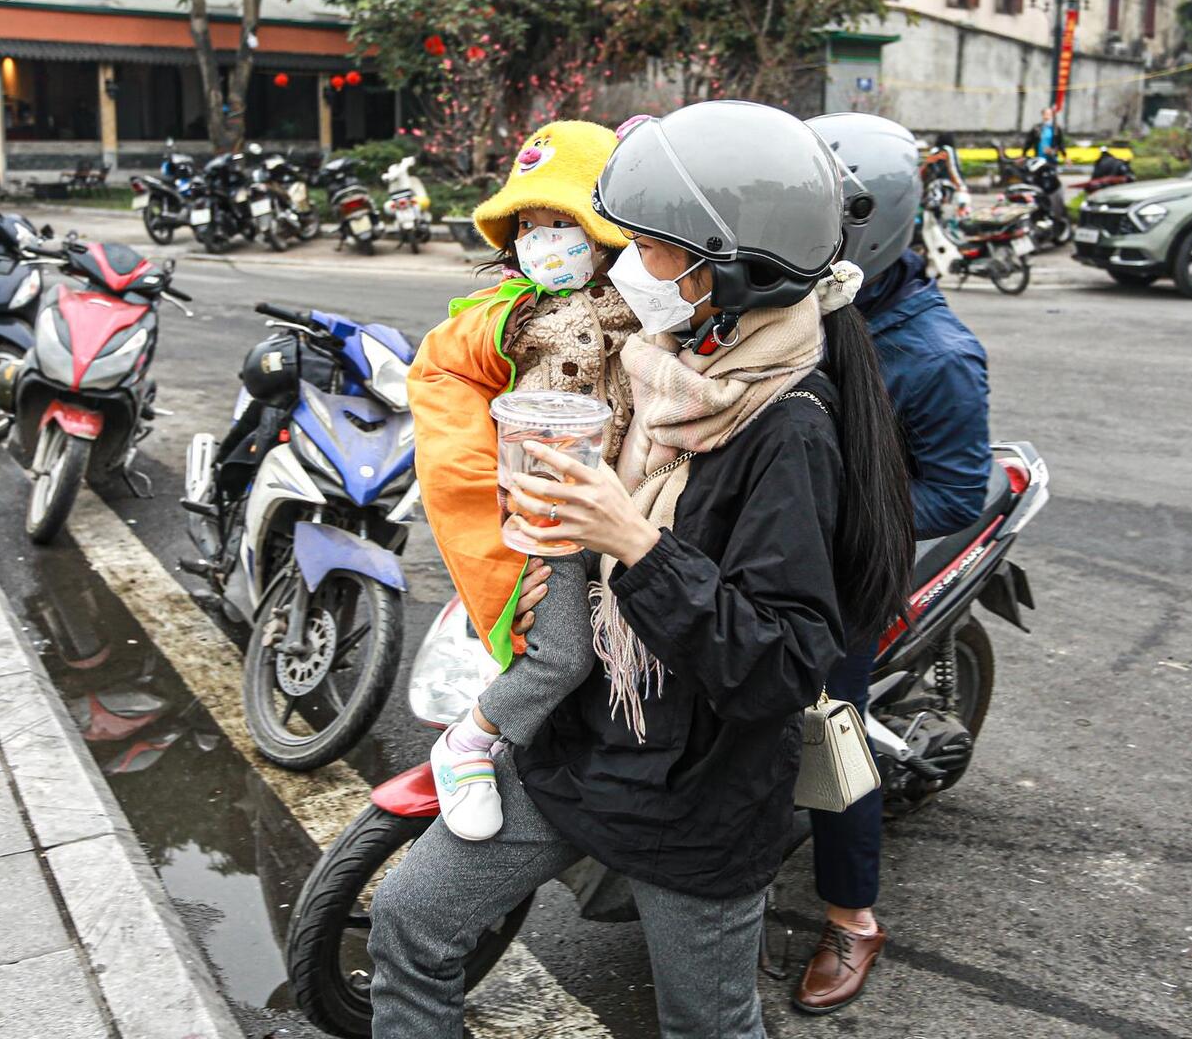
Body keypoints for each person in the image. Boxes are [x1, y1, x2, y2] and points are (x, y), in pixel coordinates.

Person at [367, 100, 916, 1038]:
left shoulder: (788, 429)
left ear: (726, 270)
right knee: (408, 924)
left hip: (694, 801)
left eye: (655, 247)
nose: (629, 265)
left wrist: (636, 544)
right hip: (575, 754)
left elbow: (782, 665)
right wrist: (556, 546)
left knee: (708, 1024)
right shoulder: (659, 361)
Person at [795, 112, 993, 1015]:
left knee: (827, 725)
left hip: (845, 573)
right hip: (764, 549)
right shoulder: (788, 295)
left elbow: (956, 494)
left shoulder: (936, 355)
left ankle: (851, 915)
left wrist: (825, 517)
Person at [405, 120, 639, 841]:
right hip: (549, 514)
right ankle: (467, 744)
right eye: (529, 225)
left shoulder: (643, 303)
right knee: (561, 654)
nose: (544, 240)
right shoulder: (512, 317)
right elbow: (445, 376)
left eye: (562, 222)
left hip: (625, 506)